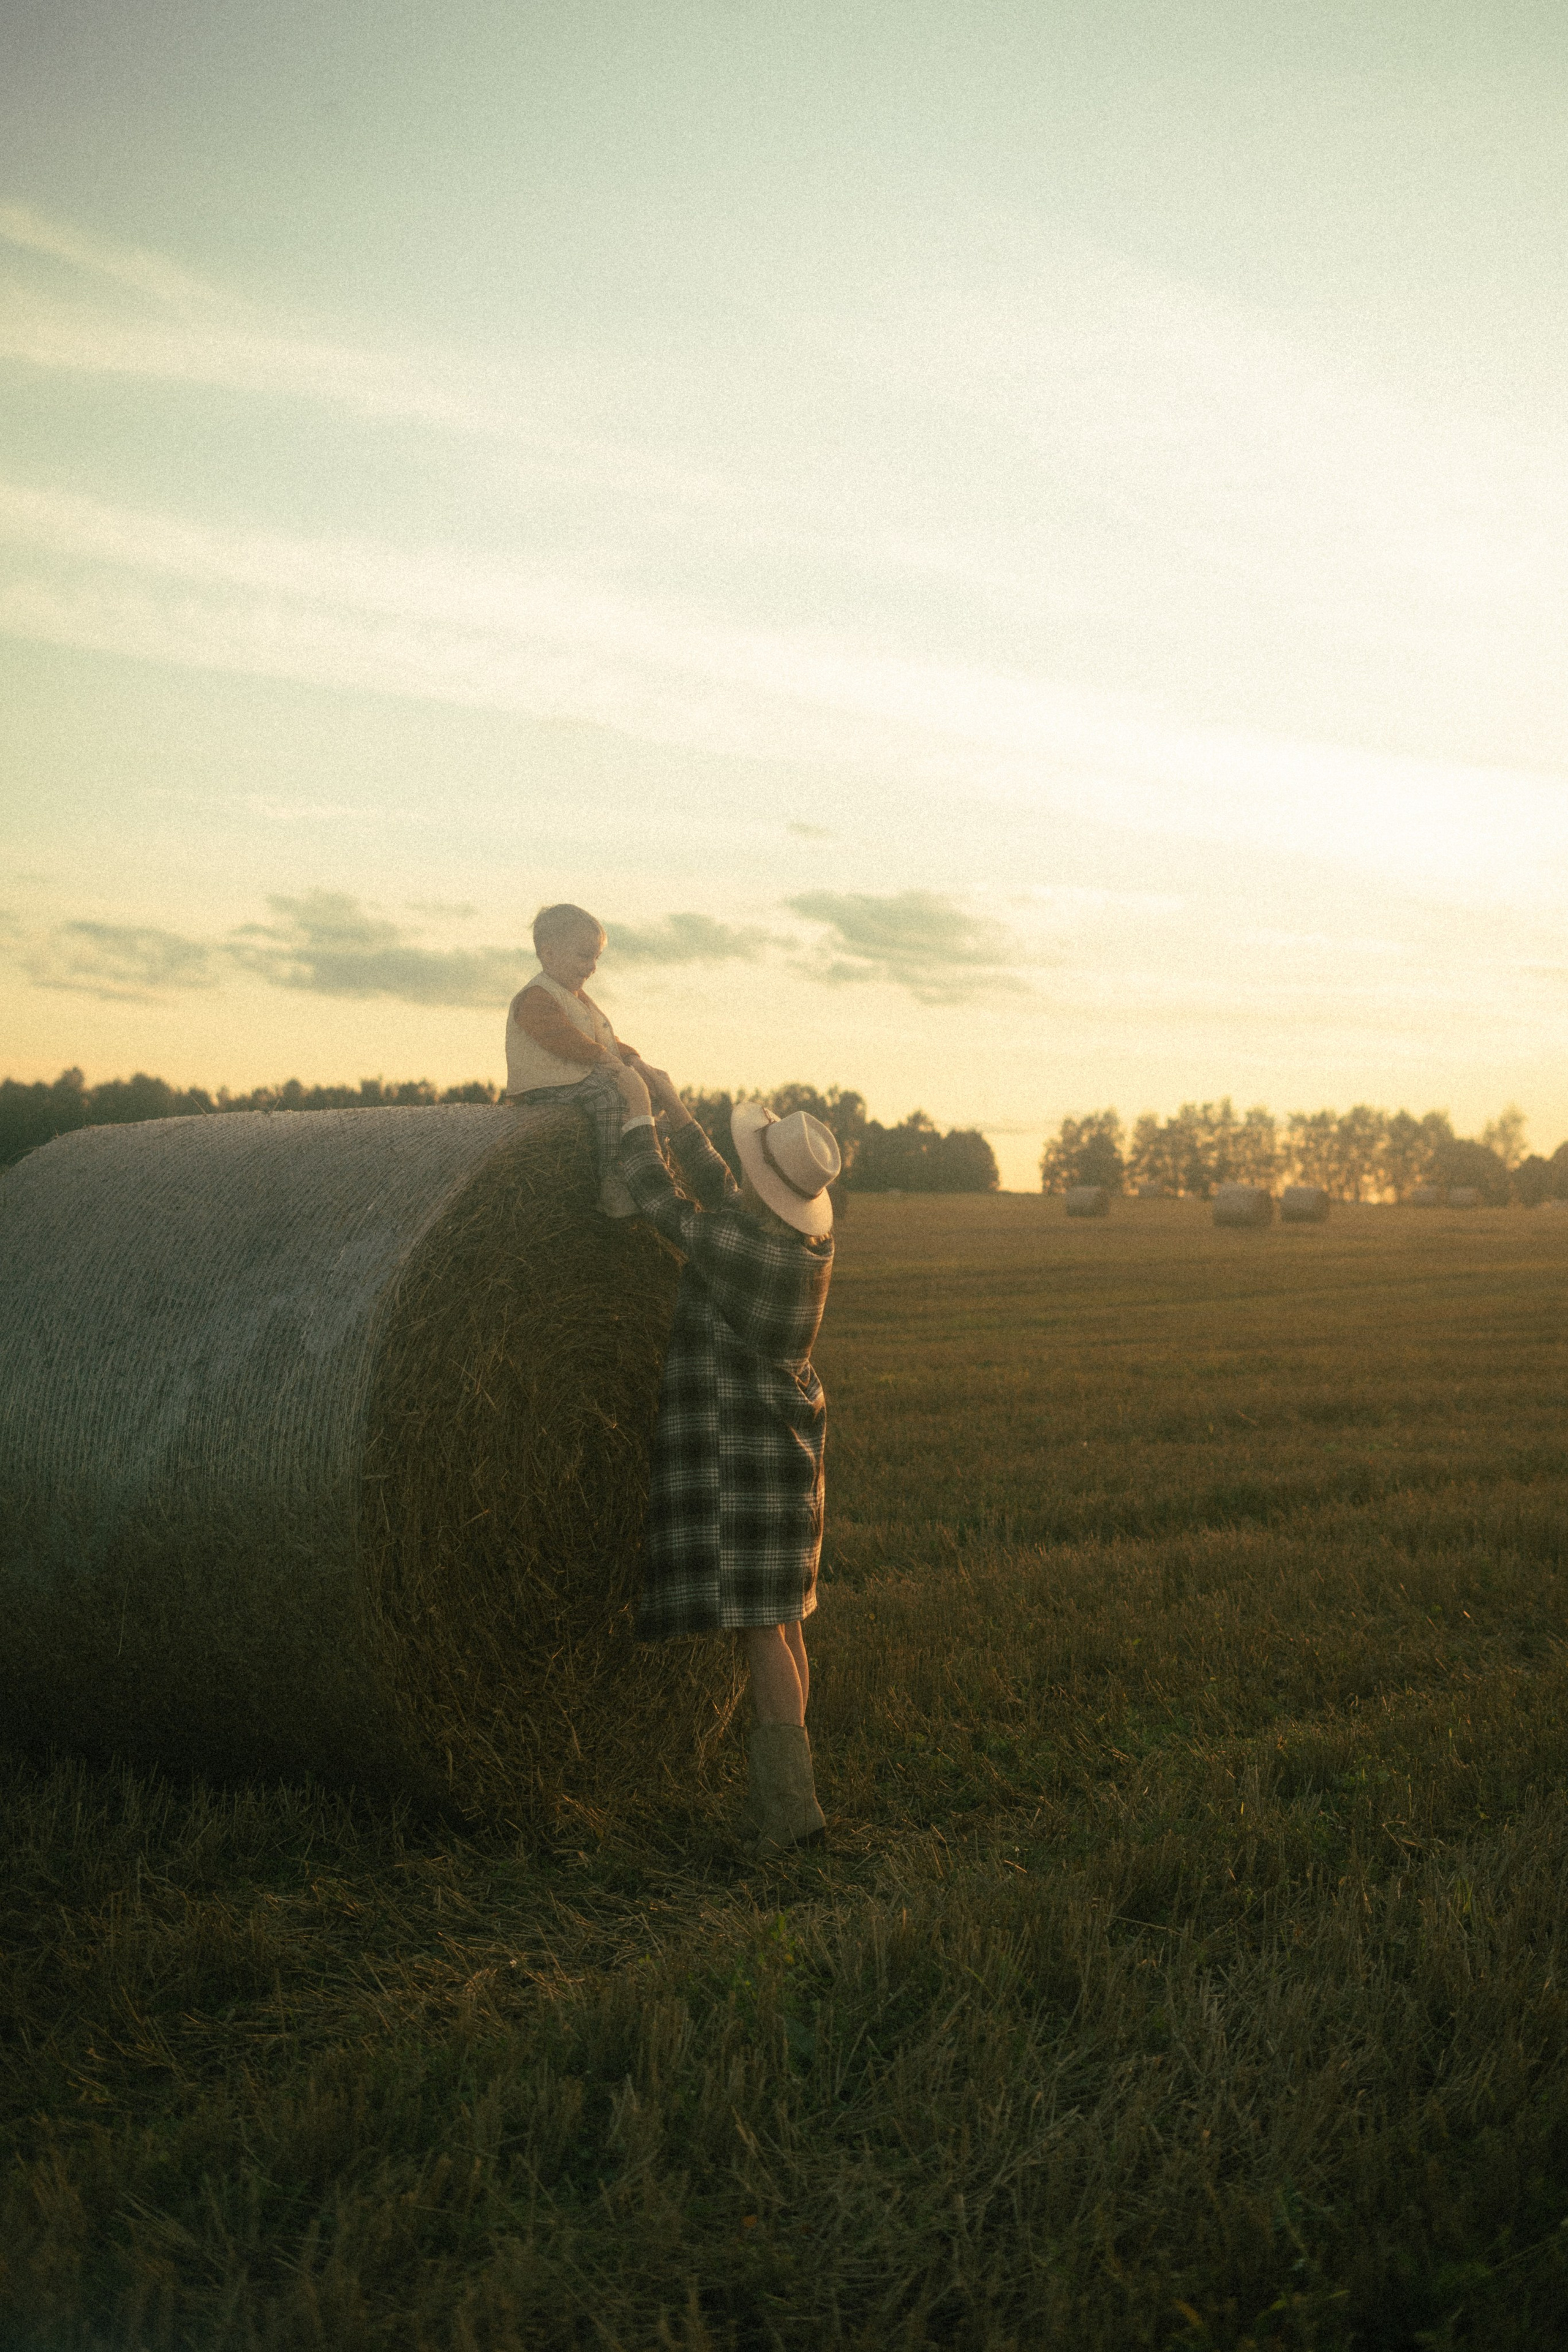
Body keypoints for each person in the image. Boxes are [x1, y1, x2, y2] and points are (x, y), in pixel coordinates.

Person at [609, 1052, 840, 1853]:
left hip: (749, 1455)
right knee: (787, 1624)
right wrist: (675, 1108)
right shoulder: (800, 1247)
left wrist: (637, 1119)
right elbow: (722, 1193)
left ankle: (790, 1812)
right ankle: (791, 1797)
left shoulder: (750, 1252)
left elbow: (664, 1205)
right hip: (790, 1447)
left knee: (760, 1629)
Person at [505, 903, 643, 1216]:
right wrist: (605, 1060)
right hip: (544, 1086)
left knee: (644, 1090)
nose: (592, 966)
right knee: (609, 1094)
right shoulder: (537, 997)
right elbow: (561, 1038)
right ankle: (612, 1179)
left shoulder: (578, 999)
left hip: (573, 1080)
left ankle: (648, 1165)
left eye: (596, 958)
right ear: (548, 953)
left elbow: (601, 1040)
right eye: (584, 956)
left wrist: (631, 1058)